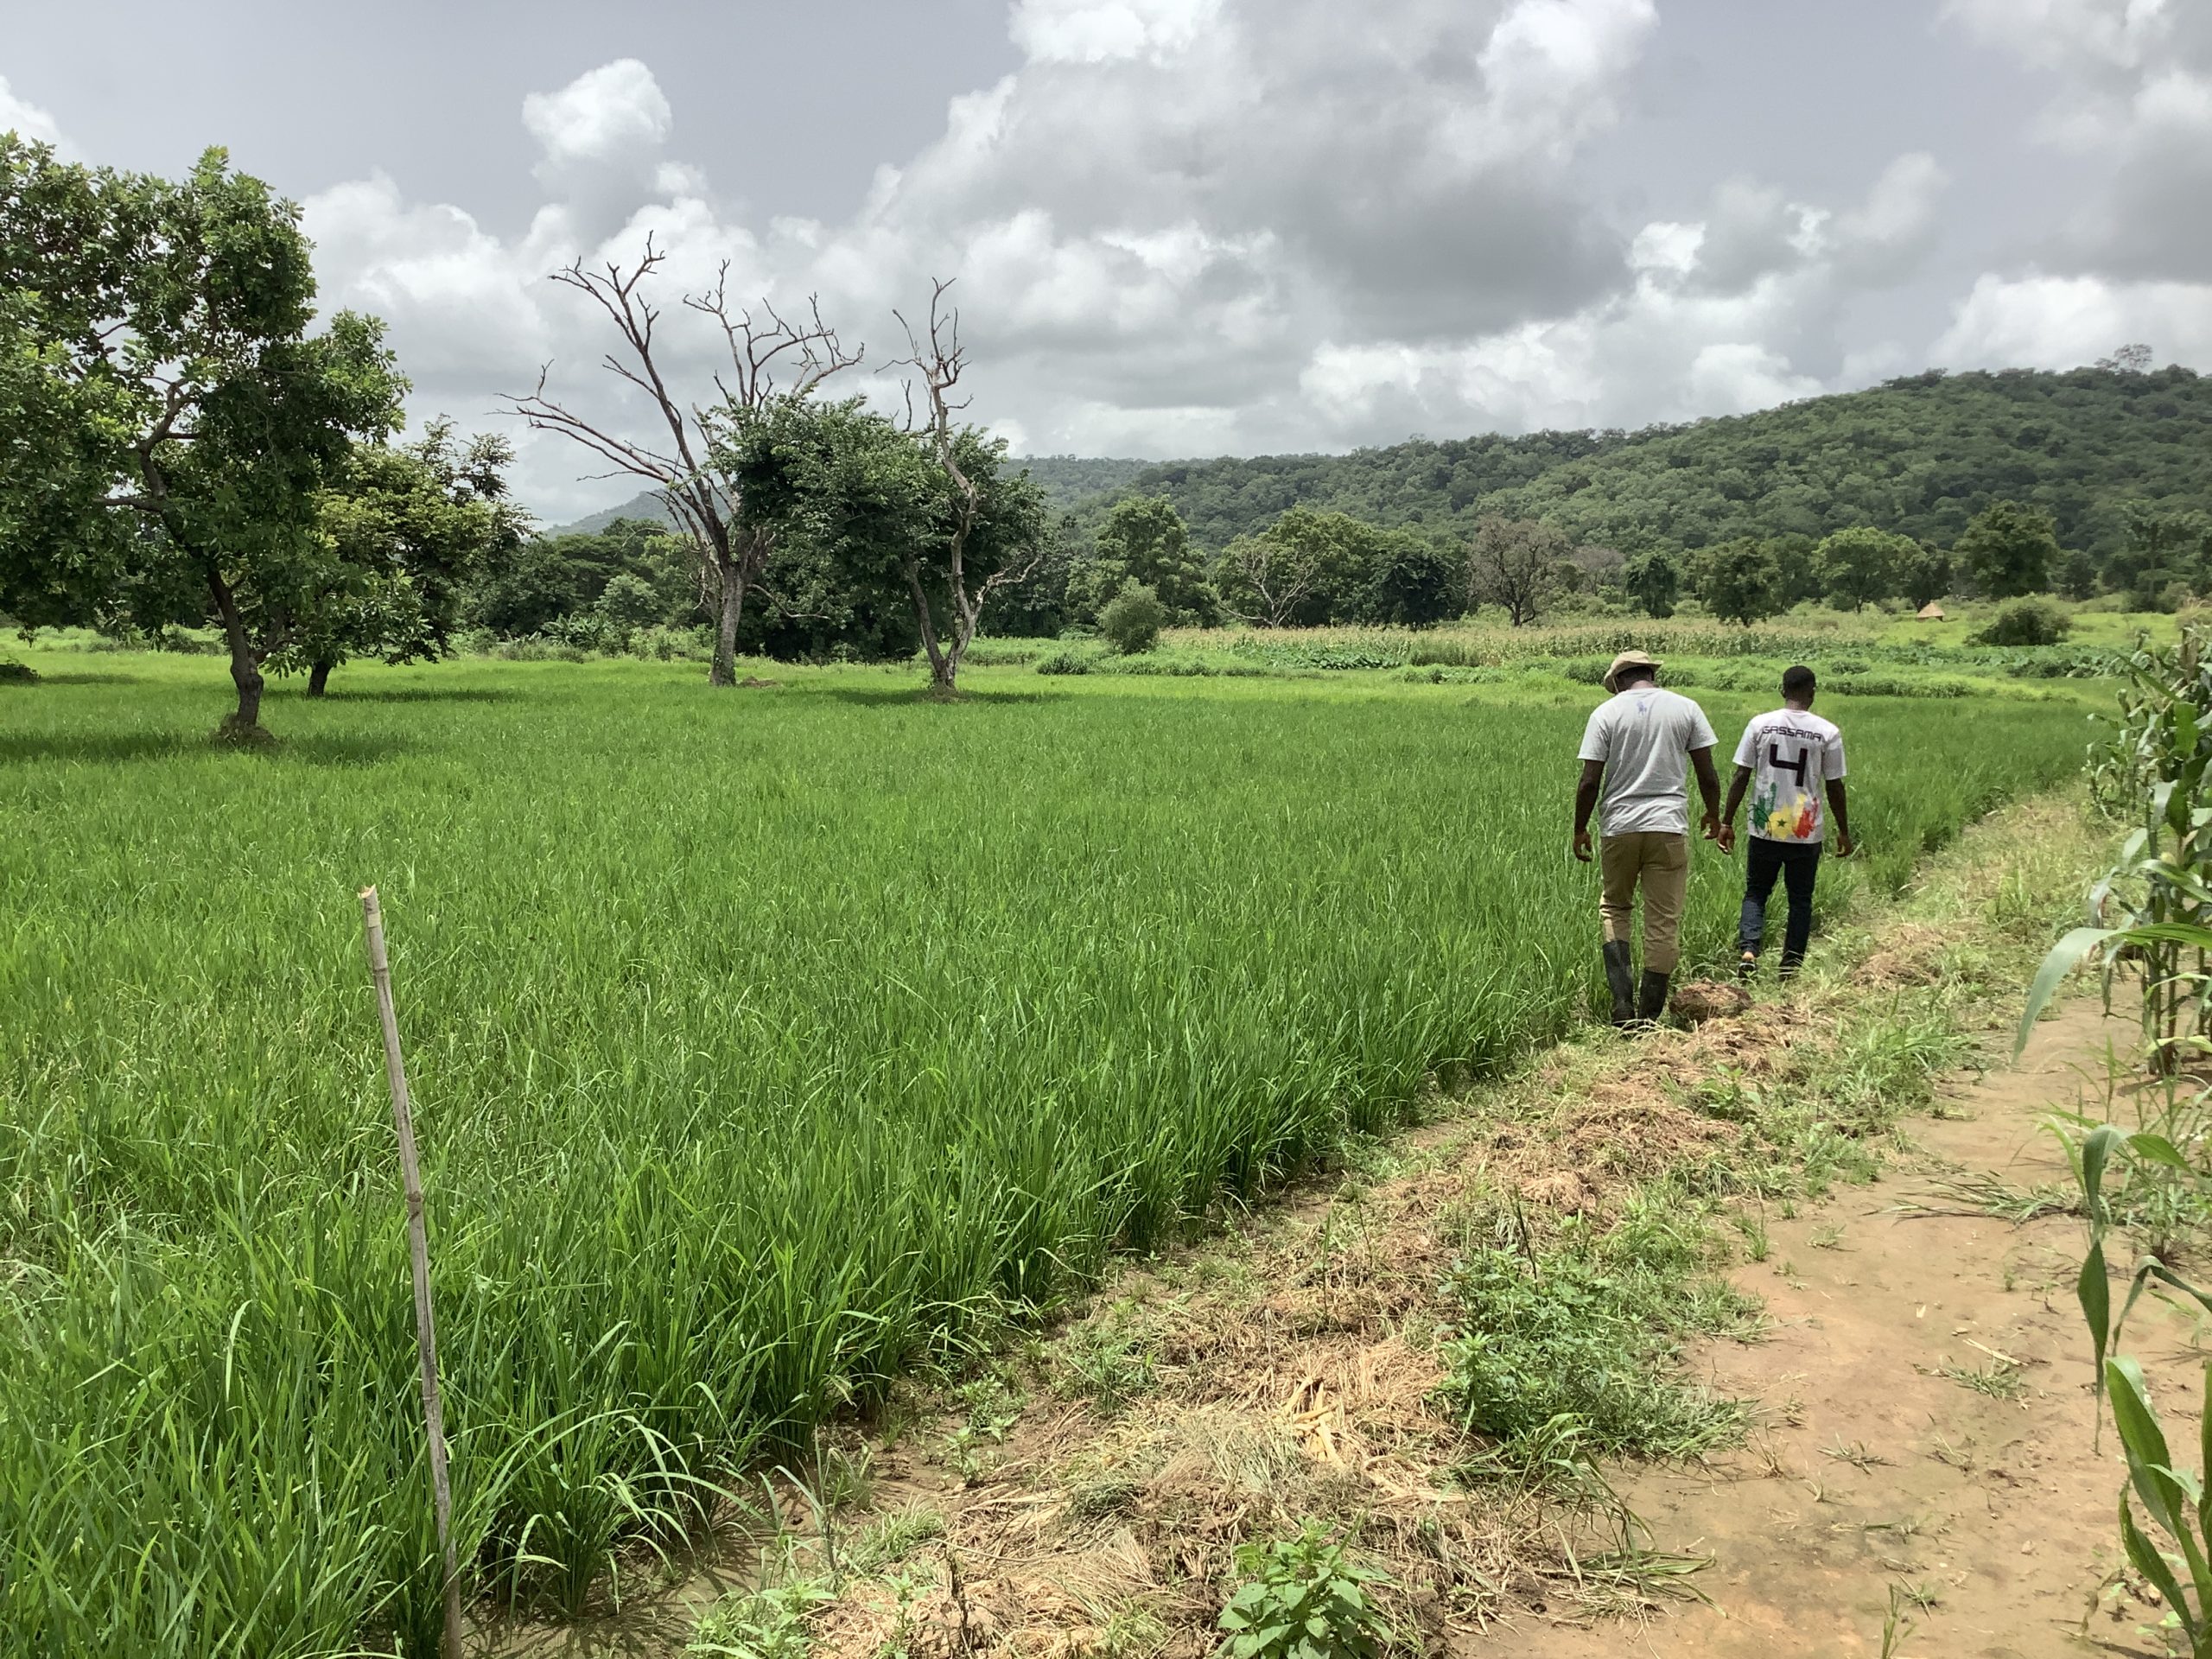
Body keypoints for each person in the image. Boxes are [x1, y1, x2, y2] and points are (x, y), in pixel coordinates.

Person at [1573, 650, 1725, 1027]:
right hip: (1669, 825)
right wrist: (1713, 813)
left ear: (1619, 680)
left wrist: (1579, 828)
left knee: (1615, 907)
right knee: (1662, 920)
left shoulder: (1606, 714)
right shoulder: (1686, 708)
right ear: (1649, 674)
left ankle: (1623, 1005)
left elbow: (1590, 779)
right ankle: (1650, 1015)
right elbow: (1707, 772)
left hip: (1619, 827)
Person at [1718, 664, 1853, 979]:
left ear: (1782, 690)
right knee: (1800, 899)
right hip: (1805, 830)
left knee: (1756, 892)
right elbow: (1834, 785)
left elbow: (1741, 775)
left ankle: (1749, 950)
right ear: (1812, 692)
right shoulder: (1827, 732)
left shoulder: (1760, 725)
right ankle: (1790, 966)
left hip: (1765, 825)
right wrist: (1844, 831)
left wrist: (1726, 821)